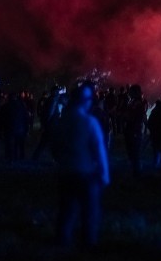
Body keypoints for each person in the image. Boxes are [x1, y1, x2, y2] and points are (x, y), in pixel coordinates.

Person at [50, 83, 110, 249]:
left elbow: (54, 146)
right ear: (86, 102)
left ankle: (62, 241)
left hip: (66, 172)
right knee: (90, 211)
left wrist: (62, 161)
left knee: (66, 209)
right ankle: (88, 242)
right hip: (86, 174)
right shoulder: (90, 122)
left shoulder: (62, 122)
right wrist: (104, 175)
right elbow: (99, 150)